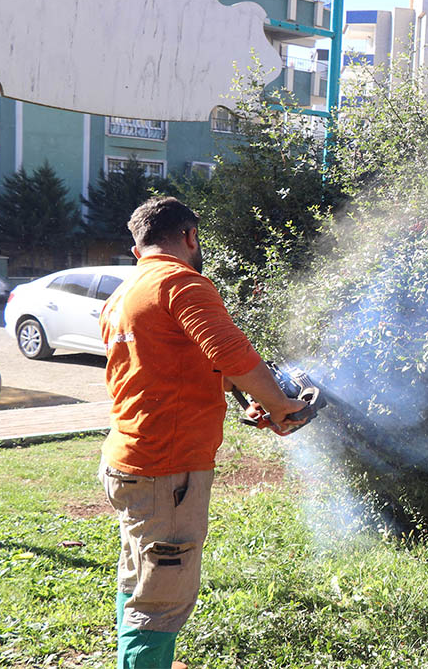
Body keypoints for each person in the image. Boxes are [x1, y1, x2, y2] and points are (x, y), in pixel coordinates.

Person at [97, 197, 308, 668]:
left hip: (128, 460)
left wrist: (247, 398)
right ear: (191, 236)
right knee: (160, 598)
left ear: (139, 251)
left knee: (139, 580)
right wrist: (280, 405)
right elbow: (230, 351)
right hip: (166, 472)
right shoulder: (181, 282)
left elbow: (182, 361)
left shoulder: (124, 295)